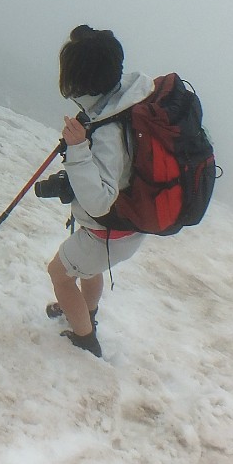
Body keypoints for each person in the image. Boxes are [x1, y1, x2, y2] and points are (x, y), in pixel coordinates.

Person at [45, 25, 153, 357]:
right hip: (124, 231)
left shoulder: (109, 131)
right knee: (88, 269)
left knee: (60, 275)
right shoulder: (124, 101)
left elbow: (99, 200)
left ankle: (84, 338)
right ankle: (86, 314)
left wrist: (77, 148)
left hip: (106, 233)